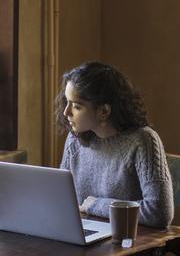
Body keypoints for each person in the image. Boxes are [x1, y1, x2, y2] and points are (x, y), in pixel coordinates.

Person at [56, 62, 173, 228]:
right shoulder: (74, 139)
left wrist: (95, 205)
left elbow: (158, 213)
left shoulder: (143, 141)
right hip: (83, 236)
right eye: (67, 102)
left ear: (104, 111)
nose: (66, 112)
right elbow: (62, 198)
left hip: (129, 242)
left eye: (76, 106)